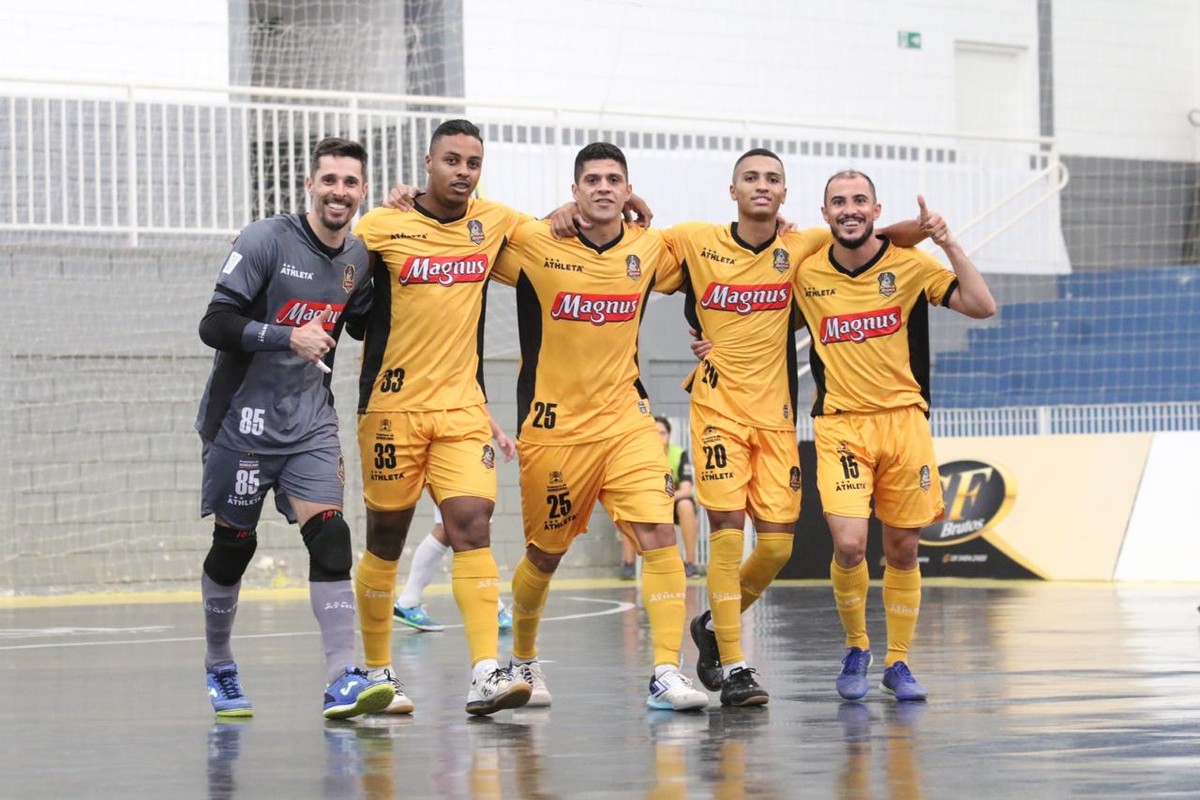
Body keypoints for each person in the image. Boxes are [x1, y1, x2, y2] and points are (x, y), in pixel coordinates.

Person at [677, 150, 936, 707]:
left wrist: (922, 228)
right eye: (751, 178)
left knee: (775, 550)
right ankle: (736, 659)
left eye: (772, 178)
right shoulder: (695, 239)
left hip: (777, 418)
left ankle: (710, 626)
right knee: (725, 524)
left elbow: (864, 239)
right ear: (732, 189)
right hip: (718, 405)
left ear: (786, 192)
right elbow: (666, 279)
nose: (762, 186)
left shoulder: (805, 247)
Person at [491, 142, 709, 712]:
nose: (604, 187)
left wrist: (713, 337)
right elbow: (462, 239)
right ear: (575, 189)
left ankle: (666, 670)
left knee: (659, 534)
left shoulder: (648, 248)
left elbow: (716, 272)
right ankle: (524, 659)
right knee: (544, 554)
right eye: (593, 179)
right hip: (554, 428)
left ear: (627, 188)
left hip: (627, 422)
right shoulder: (537, 242)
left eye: (615, 179)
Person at [195, 136, 395, 720]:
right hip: (242, 422)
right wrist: (287, 335)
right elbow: (215, 324)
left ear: (362, 191)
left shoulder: (358, 257)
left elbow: (361, 323)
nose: (339, 191)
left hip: (310, 423)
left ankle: (342, 679)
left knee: (331, 537)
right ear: (310, 184)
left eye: (350, 182)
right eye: (329, 180)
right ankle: (219, 665)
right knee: (235, 545)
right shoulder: (265, 239)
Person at [351, 119, 534, 717]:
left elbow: (566, 241)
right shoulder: (382, 225)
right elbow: (333, 272)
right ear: (427, 163)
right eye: (451, 159)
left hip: (462, 410)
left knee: (472, 526)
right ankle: (378, 670)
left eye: (473, 162)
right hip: (390, 409)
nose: (462, 170)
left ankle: (485, 671)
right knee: (385, 536)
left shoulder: (495, 224)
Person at [795, 170, 996, 702]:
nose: (849, 209)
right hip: (839, 426)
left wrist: (947, 241)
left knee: (903, 549)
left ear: (877, 209)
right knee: (850, 542)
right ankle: (857, 646)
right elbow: (755, 306)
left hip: (905, 423)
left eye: (859, 200)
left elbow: (982, 305)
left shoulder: (909, 266)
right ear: (825, 215)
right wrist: (710, 344)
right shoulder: (806, 272)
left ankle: (898, 661)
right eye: (838, 201)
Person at [393, 411, 518, 632]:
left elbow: (474, 400)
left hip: (461, 446)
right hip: (453, 447)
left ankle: (408, 601)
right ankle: (491, 608)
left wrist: (497, 433)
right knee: (473, 526)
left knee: (449, 529)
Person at [620, 417, 699, 579]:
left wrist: (664, 497)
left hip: (672, 503)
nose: (659, 437)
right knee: (627, 508)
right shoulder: (639, 457)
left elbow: (686, 489)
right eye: (654, 434)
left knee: (686, 505)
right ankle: (628, 564)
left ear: (669, 435)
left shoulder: (678, 454)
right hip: (648, 504)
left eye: (662, 433)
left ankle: (690, 564)